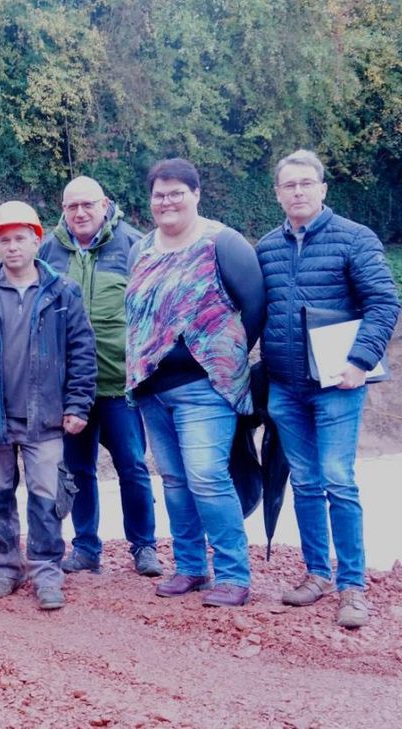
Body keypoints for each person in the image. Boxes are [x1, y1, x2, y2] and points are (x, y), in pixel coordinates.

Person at [256, 149, 400, 628]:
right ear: (277, 194)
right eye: (288, 185)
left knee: (338, 479)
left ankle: (352, 587)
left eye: (305, 183)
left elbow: (383, 302)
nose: (297, 192)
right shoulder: (266, 248)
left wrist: (360, 361)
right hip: (285, 387)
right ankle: (317, 574)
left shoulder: (354, 238)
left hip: (338, 384)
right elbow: (258, 313)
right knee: (305, 482)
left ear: (322, 188)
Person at [125, 158, 265, 608]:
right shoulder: (142, 248)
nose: (167, 201)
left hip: (206, 388)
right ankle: (190, 568)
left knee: (206, 478)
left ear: (196, 194)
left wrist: (225, 354)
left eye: (176, 192)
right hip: (153, 388)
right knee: (175, 481)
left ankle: (233, 575)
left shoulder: (222, 242)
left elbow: (255, 304)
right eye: (159, 194)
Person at [0, 201, 97, 610]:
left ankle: (47, 571)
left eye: (20, 239)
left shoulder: (63, 293)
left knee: (47, 498)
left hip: (45, 417)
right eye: (5, 240)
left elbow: (82, 351)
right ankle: (5, 569)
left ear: (36, 239)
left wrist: (78, 403)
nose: (13, 247)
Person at [38, 176, 161, 577]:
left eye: (87, 205)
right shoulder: (48, 250)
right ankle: (86, 548)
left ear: (105, 204)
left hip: (120, 385)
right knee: (77, 471)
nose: (79, 213)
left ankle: (144, 546)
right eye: (71, 206)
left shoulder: (135, 245)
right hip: (70, 389)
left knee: (133, 467)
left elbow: (157, 311)